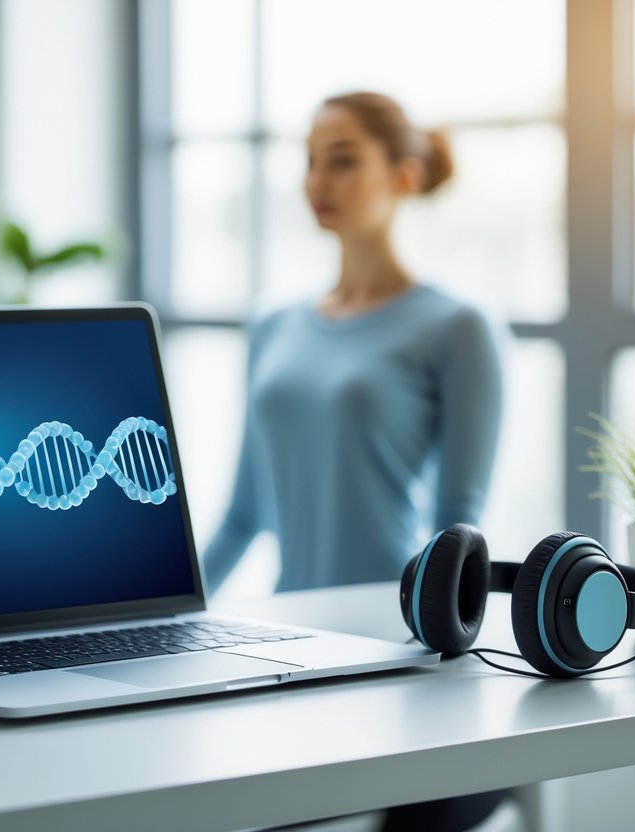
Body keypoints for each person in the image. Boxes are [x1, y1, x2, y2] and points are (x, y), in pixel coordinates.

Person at [199, 91, 507, 831]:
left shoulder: (457, 327)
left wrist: (431, 658)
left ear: (403, 176)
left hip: (394, 648)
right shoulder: (273, 324)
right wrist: (156, 616)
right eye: (309, 162)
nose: (317, 182)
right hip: (281, 644)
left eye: (342, 161)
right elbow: (243, 512)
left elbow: (456, 533)